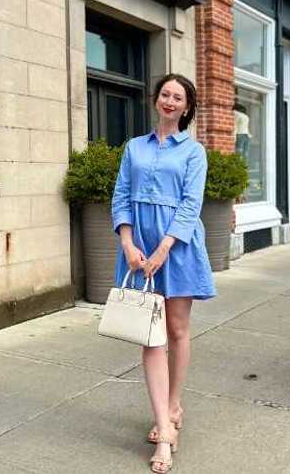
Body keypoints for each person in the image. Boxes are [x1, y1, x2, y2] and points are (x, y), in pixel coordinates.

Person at [110, 74, 216, 473]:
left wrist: (164, 248)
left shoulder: (193, 152)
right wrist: (127, 243)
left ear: (187, 107)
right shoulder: (133, 147)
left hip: (178, 247)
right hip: (137, 250)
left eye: (179, 97)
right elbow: (121, 194)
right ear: (156, 100)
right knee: (150, 335)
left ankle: (173, 404)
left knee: (176, 330)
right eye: (165, 94)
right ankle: (163, 428)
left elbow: (192, 204)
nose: (170, 101)